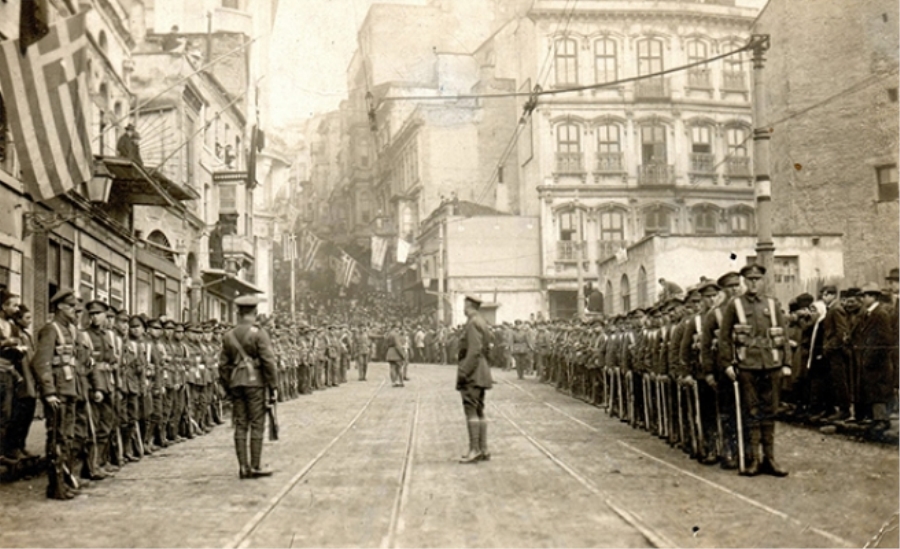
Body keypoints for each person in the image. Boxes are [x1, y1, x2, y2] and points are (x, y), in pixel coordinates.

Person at [719, 265, 791, 477]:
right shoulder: (735, 305)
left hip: (771, 365)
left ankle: (770, 459)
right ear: (743, 281)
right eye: (749, 279)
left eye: (757, 279)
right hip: (747, 366)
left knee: (770, 411)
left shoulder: (772, 303)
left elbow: (784, 335)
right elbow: (724, 338)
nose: (753, 283)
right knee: (751, 412)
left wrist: (786, 363)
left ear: (762, 281)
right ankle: (754, 460)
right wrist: (727, 365)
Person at [219, 295, 278, 479]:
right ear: (254, 312)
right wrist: (273, 385)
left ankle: (243, 467)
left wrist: (228, 387)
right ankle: (255, 465)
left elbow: (222, 366)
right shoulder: (259, 333)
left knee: (241, 424)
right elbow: (269, 362)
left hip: (236, 383)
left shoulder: (228, 335)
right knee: (257, 423)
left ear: (238, 313)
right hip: (255, 383)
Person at [32, 289, 82, 499]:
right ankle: (55, 487)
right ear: (60, 307)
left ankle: (65, 481)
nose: (74, 311)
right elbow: (41, 363)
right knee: (56, 438)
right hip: (58, 393)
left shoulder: (67, 330)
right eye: (71, 306)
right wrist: (49, 392)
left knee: (67, 437)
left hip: (69, 390)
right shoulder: (51, 330)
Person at [851, 283, 895, 435]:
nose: (863, 299)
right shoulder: (868, 313)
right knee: (872, 390)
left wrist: (871, 357)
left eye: (865, 296)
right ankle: (877, 420)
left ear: (873, 296)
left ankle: (882, 420)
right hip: (870, 359)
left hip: (878, 361)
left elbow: (885, 339)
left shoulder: (880, 314)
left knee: (879, 391)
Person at [456, 295, 494, 464]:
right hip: (482, 370)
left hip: (473, 371)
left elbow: (474, 350)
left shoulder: (472, 323)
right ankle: (483, 448)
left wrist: (464, 371)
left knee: (470, 409)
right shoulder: (482, 321)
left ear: (468, 305)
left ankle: (474, 449)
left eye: (464, 304)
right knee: (479, 409)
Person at [384, 323, 406, 387]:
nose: (398, 329)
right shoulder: (395, 335)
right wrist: (403, 354)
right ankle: (400, 381)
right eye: (398, 328)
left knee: (392, 368)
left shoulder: (388, 334)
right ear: (395, 328)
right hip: (396, 353)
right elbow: (398, 345)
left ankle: (393, 382)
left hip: (390, 351)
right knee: (399, 368)